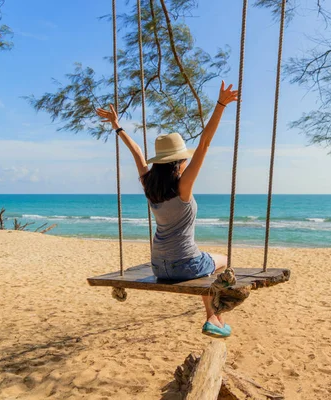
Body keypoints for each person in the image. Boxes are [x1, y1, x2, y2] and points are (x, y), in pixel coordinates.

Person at [96, 81, 238, 338]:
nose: (185, 163)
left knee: (206, 265)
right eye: (183, 160)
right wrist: (220, 106)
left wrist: (117, 126)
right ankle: (214, 317)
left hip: (158, 266)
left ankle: (213, 317)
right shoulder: (183, 187)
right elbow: (204, 144)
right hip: (185, 266)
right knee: (223, 262)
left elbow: (137, 151)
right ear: (177, 163)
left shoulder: (148, 184)